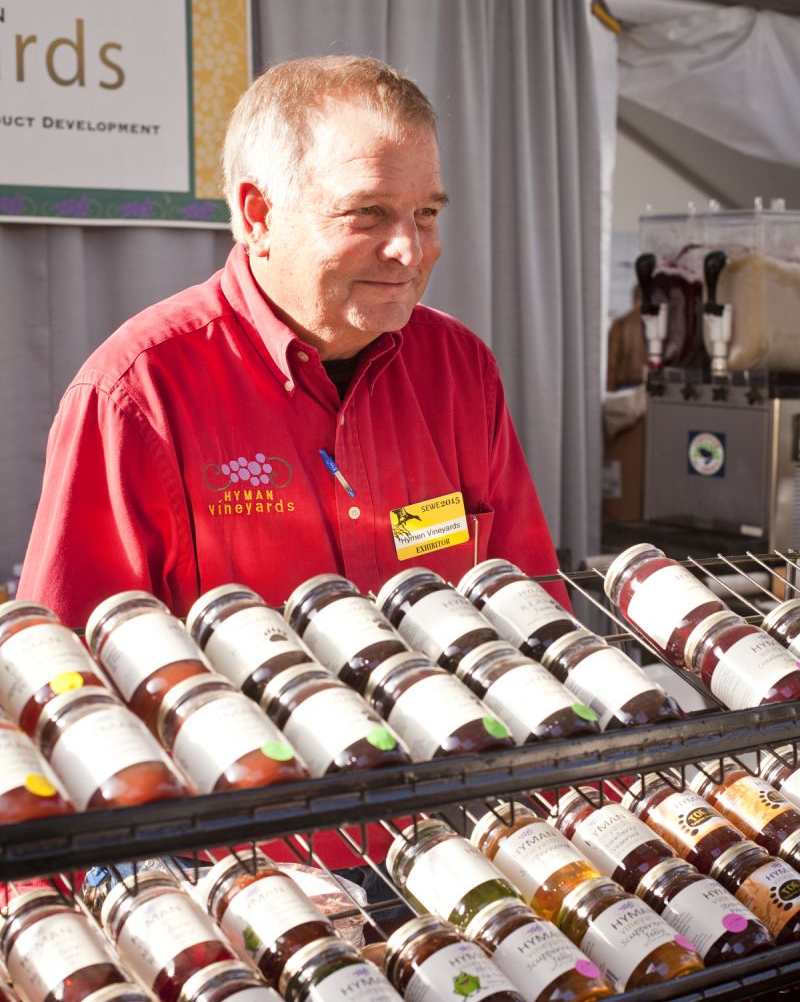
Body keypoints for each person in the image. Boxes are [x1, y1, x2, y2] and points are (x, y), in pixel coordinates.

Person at [18, 55, 563, 630]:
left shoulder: (460, 368)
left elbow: (533, 608)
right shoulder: (136, 395)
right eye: (369, 213)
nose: (410, 249)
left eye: (425, 213)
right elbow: (67, 670)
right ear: (258, 216)